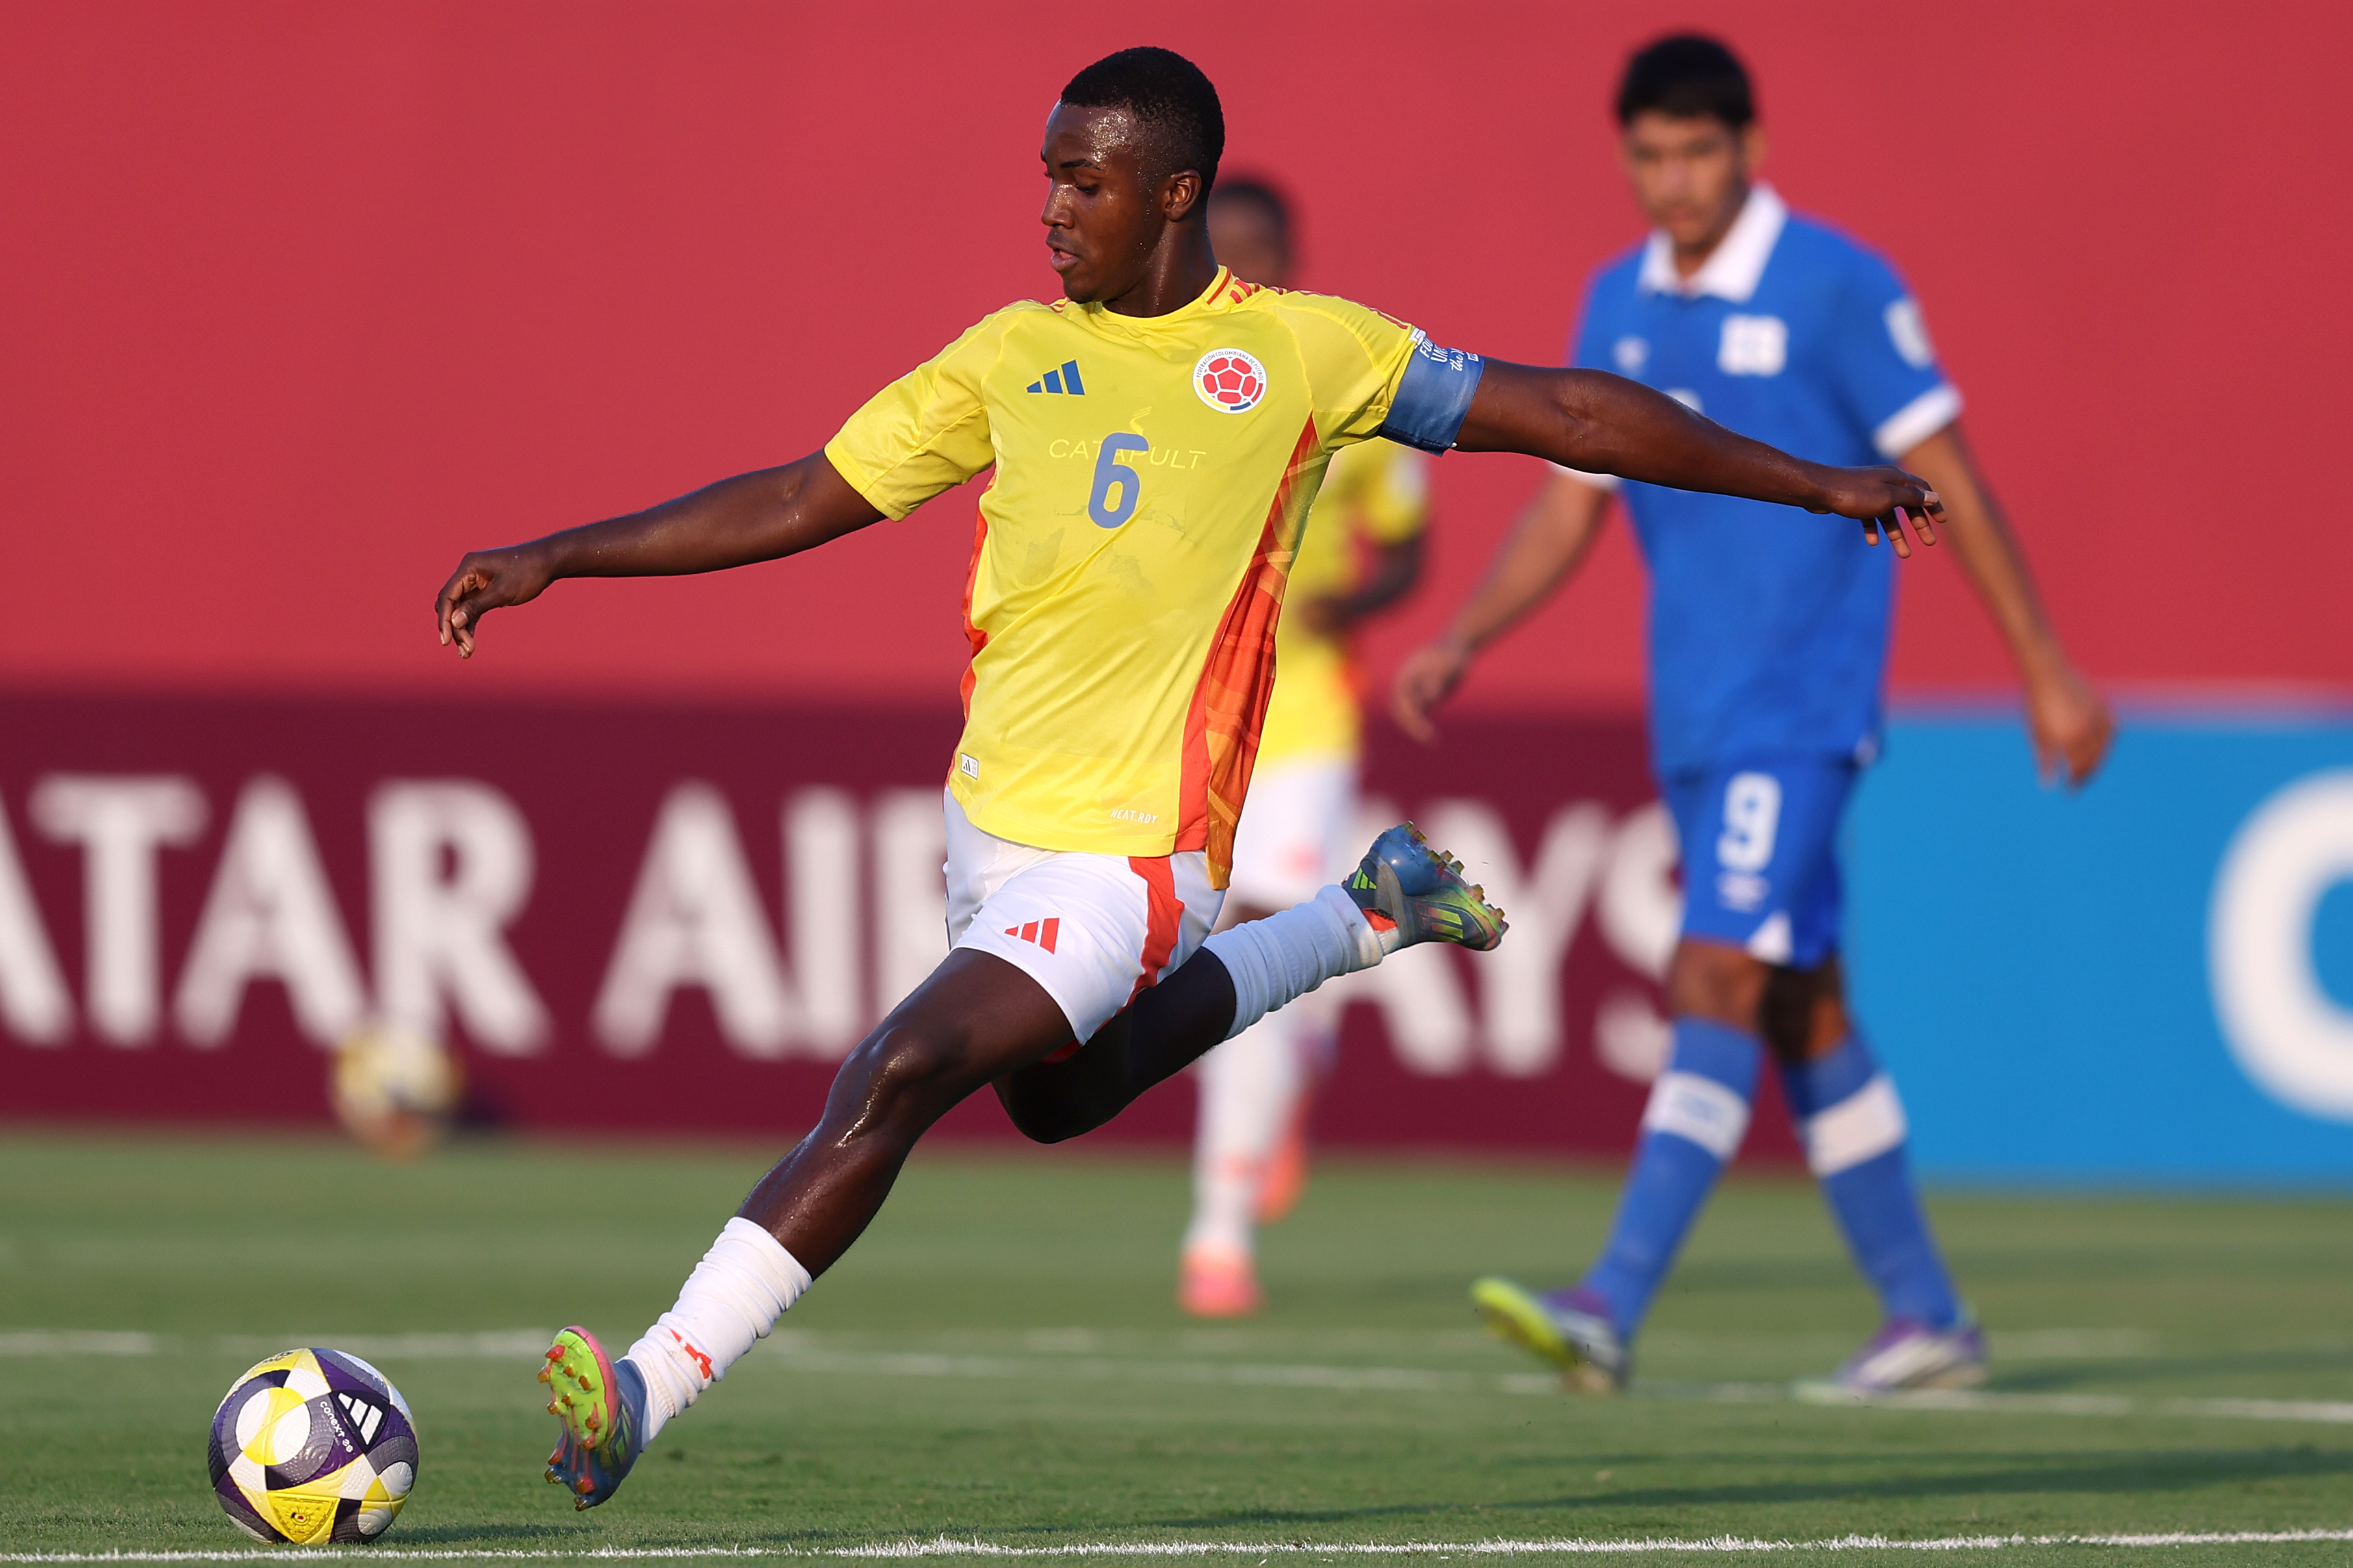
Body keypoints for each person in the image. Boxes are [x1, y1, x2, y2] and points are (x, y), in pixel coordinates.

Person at [433, 46, 1947, 1510]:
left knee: (895, 1071)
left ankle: (646, 1383)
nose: (1050, 210)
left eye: (1081, 183)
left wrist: (1812, 478)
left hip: (1139, 856)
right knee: (1056, 1098)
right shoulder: (1010, 355)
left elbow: (1570, 411)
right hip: (992, 835)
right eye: (1045, 179)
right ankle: (1359, 919)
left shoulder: (1300, 352)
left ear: (1174, 194)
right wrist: (560, 553)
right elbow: (798, 494)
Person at [1392, 34, 2112, 1395]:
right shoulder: (1617, 302)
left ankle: (1609, 1300)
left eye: (1698, 153)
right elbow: (1567, 501)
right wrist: (1467, 634)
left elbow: (1941, 467)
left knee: (1713, 971)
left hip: (1801, 702)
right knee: (1799, 1007)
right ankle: (1927, 1315)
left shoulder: (1835, 284)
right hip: (1700, 711)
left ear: (1749, 148)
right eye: (1651, 156)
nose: (1675, 182)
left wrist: (2043, 666)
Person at [1178, 177, 1431, 1317]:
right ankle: (1302, 1048)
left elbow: (1409, 545)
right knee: (1245, 960)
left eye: (1260, 251)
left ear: (1291, 252)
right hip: (1199, 719)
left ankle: (1217, 1236)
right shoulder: (1171, 385)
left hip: (1310, 712)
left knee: (1253, 934)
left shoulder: (1339, 376)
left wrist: (1358, 602)